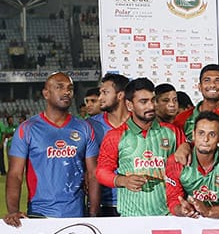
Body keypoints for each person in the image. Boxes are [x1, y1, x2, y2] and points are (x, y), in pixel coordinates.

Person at [4, 73, 100, 226]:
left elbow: (94, 174)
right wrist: (13, 210)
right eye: (59, 87)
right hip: (39, 215)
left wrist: (94, 214)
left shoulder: (84, 128)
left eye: (70, 88)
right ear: (46, 93)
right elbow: (15, 174)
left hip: (77, 216)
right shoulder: (27, 129)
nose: (66, 92)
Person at [96, 77, 188, 217]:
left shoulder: (172, 132)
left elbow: (188, 164)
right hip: (131, 217)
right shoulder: (115, 136)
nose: (151, 106)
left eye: (152, 100)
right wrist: (123, 181)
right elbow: (101, 172)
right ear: (129, 105)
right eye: (143, 102)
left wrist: (187, 146)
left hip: (167, 215)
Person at [166, 112, 219, 218]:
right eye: (201, 133)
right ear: (193, 135)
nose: (205, 139)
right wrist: (182, 210)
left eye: (212, 134)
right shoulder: (176, 161)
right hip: (190, 222)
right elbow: (173, 200)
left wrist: (209, 211)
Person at [89, 73, 130, 216]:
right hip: (103, 204)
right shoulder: (90, 126)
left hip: (135, 201)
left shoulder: (139, 123)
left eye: (105, 92)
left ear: (120, 95)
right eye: (100, 93)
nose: (100, 98)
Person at [173, 64, 219, 139]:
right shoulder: (182, 118)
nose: (212, 85)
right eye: (207, 80)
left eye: (218, 81)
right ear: (199, 87)